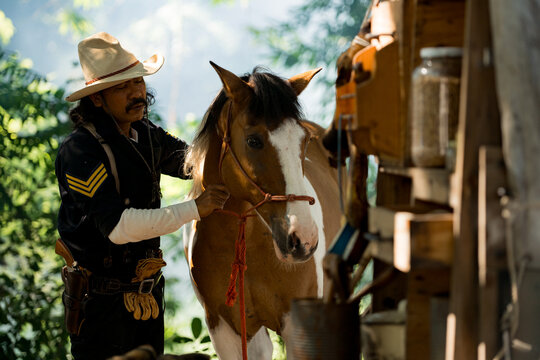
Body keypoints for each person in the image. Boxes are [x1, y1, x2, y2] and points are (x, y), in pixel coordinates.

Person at [55, 32, 229, 360]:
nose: (137, 93)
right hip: (100, 307)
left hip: (148, 297)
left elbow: (194, 162)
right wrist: (195, 208)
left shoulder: (144, 133)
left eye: (138, 81)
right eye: (123, 87)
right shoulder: (79, 150)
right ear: (96, 99)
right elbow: (118, 228)